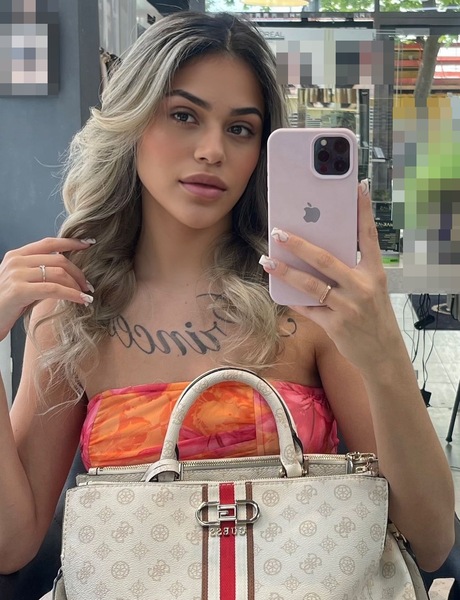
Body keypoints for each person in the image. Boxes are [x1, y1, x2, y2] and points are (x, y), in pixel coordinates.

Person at [0, 10, 454, 592]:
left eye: (240, 129)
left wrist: (385, 352)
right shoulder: (73, 309)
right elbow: (12, 543)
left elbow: (430, 539)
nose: (212, 150)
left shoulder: (305, 302)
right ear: (131, 123)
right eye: (183, 115)